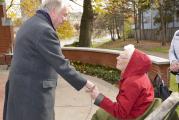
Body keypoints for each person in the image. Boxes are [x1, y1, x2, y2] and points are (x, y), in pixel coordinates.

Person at [3, 0, 95, 120]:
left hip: (21, 90)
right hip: (33, 95)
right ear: (53, 12)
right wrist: (86, 83)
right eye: (64, 14)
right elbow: (61, 64)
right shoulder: (44, 30)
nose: (66, 19)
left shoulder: (29, 23)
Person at [90, 44, 154, 120]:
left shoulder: (133, 83)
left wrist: (98, 97)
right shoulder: (140, 75)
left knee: (98, 115)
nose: (117, 58)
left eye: (122, 57)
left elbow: (121, 113)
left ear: (131, 62)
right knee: (102, 112)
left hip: (132, 117)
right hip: (139, 112)